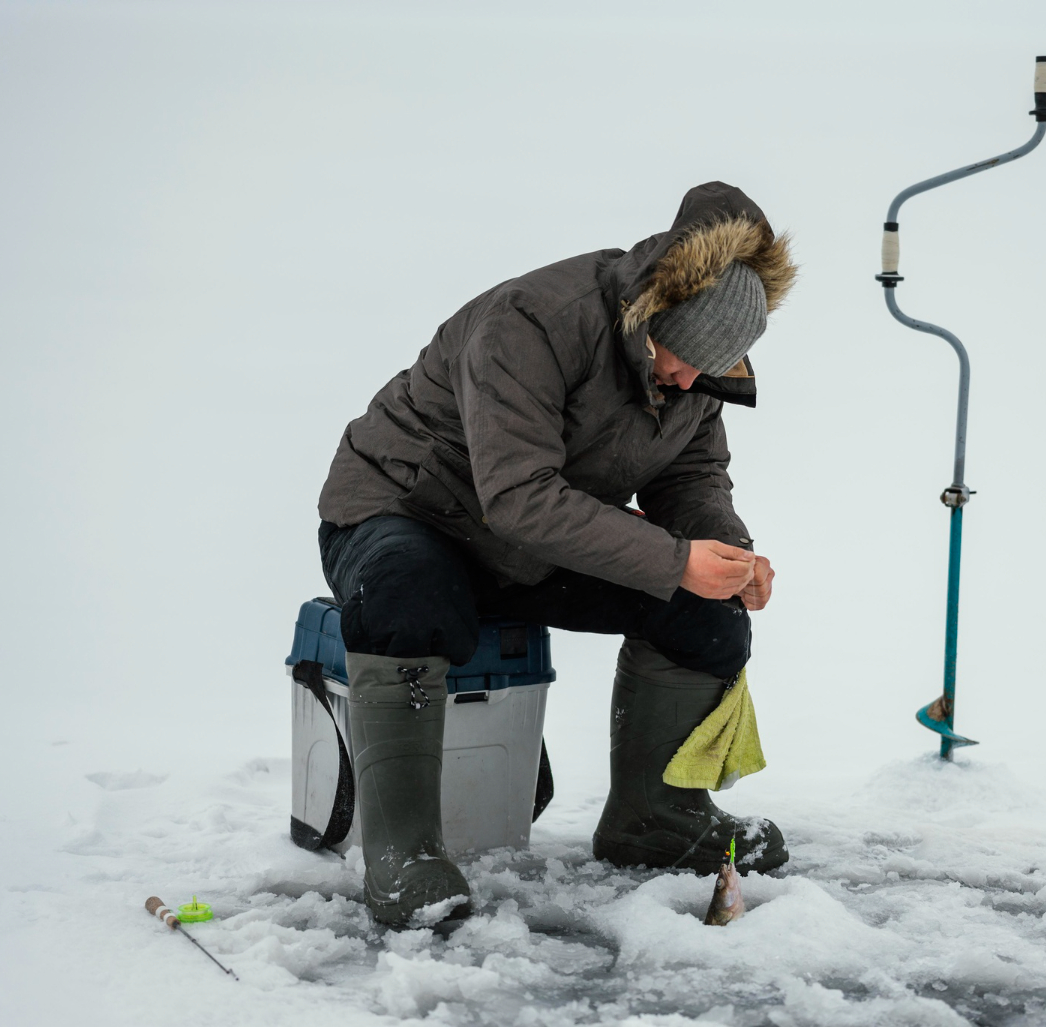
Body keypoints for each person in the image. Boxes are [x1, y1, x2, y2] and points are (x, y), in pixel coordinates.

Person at [316, 182, 797, 927]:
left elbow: (690, 475)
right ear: (654, 314)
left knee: (707, 610)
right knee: (411, 600)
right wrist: (673, 558)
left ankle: (653, 816)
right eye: (682, 360)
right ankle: (402, 850)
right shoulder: (534, 323)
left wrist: (727, 554)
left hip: (532, 547)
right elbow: (517, 496)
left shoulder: (694, 375)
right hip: (406, 514)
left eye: (711, 369)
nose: (689, 381)